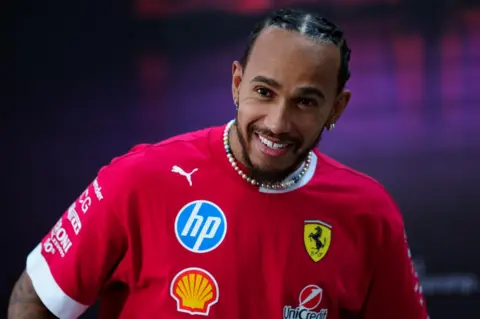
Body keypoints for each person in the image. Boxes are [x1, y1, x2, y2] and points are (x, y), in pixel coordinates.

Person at [8, 7, 429, 319]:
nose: (277, 123)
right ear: (236, 82)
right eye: (264, 92)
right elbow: (35, 300)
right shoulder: (138, 178)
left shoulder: (370, 213)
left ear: (336, 109)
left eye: (305, 102)